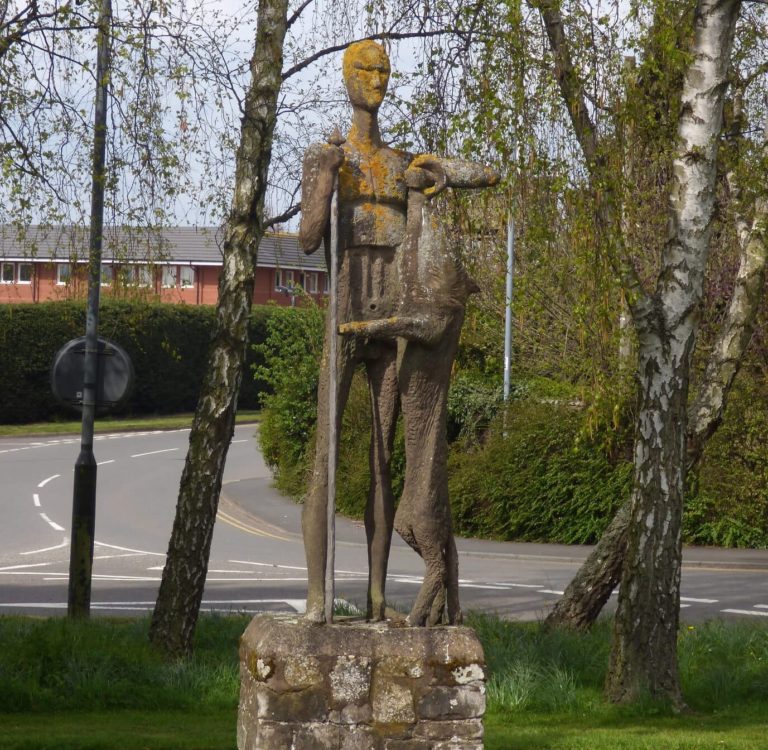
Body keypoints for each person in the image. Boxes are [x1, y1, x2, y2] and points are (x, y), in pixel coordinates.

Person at [299, 39, 497, 624]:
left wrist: (438, 176)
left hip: (393, 310)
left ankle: (377, 596)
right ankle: (317, 600)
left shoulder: (400, 160)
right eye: (366, 69)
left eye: (384, 69)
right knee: (325, 454)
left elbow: (481, 175)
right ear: (346, 77)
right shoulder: (325, 156)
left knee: (382, 457)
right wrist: (329, 177)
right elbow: (310, 237)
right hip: (345, 306)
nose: (377, 78)